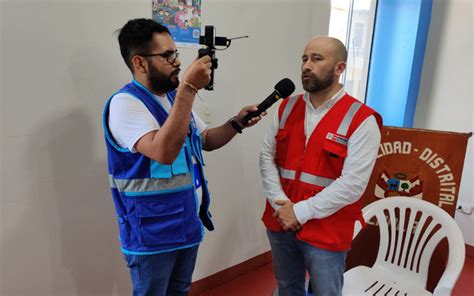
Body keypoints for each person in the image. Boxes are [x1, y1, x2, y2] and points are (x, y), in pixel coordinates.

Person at [103, 18, 262, 296]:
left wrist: (236, 123)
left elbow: (206, 140)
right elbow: (163, 152)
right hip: (151, 235)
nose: (177, 62)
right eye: (167, 55)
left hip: (185, 224)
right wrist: (189, 89)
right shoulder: (125, 104)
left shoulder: (173, 97)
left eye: (175, 52)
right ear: (139, 63)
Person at [259, 36, 382, 296]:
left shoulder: (361, 119)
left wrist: (300, 212)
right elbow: (266, 158)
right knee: (287, 287)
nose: (306, 65)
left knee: (327, 292)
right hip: (281, 219)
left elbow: (353, 184)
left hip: (327, 227)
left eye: (317, 59)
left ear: (340, 68)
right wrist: (282, 205)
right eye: (304, 58)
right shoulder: (286, 108)